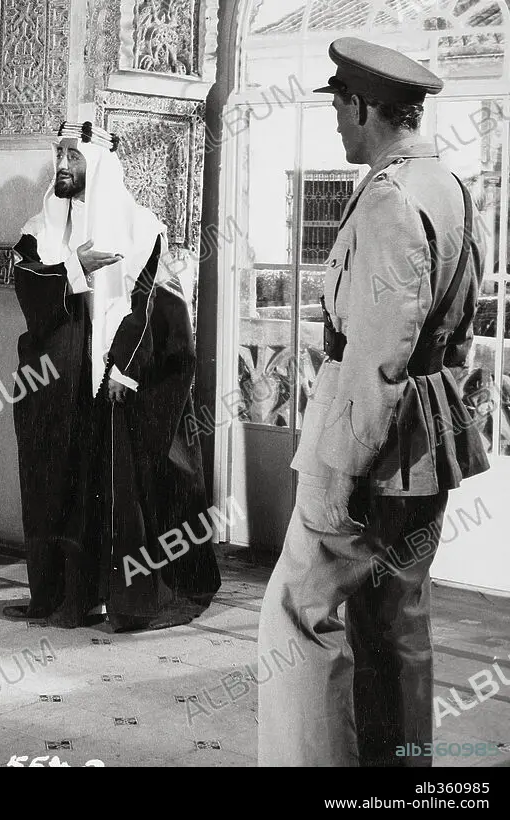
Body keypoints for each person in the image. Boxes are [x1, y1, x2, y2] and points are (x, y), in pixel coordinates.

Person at [257, 38, 490, 767]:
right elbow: (453, 332)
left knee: (310, 616)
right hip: (427, 429)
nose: (335, 121)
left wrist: (344, 464)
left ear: (364, 108)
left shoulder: (390, 197)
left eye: (338, 106)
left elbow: (378, 352)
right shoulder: (450, 186)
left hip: (376, 433)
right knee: (397, 622)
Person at [5, 122, 221, 631]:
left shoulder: (141, 227)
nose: (62, 165)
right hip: (60, 384)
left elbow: (154, 304)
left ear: (99, 165)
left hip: (119, 378)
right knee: (62, 484)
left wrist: (125, 366)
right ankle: (70, 596)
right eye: (59, 154)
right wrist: (73, 268)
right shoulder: (40, 228)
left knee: (125, 487)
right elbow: (28, 287)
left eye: (73, 157)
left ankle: (128, 597)